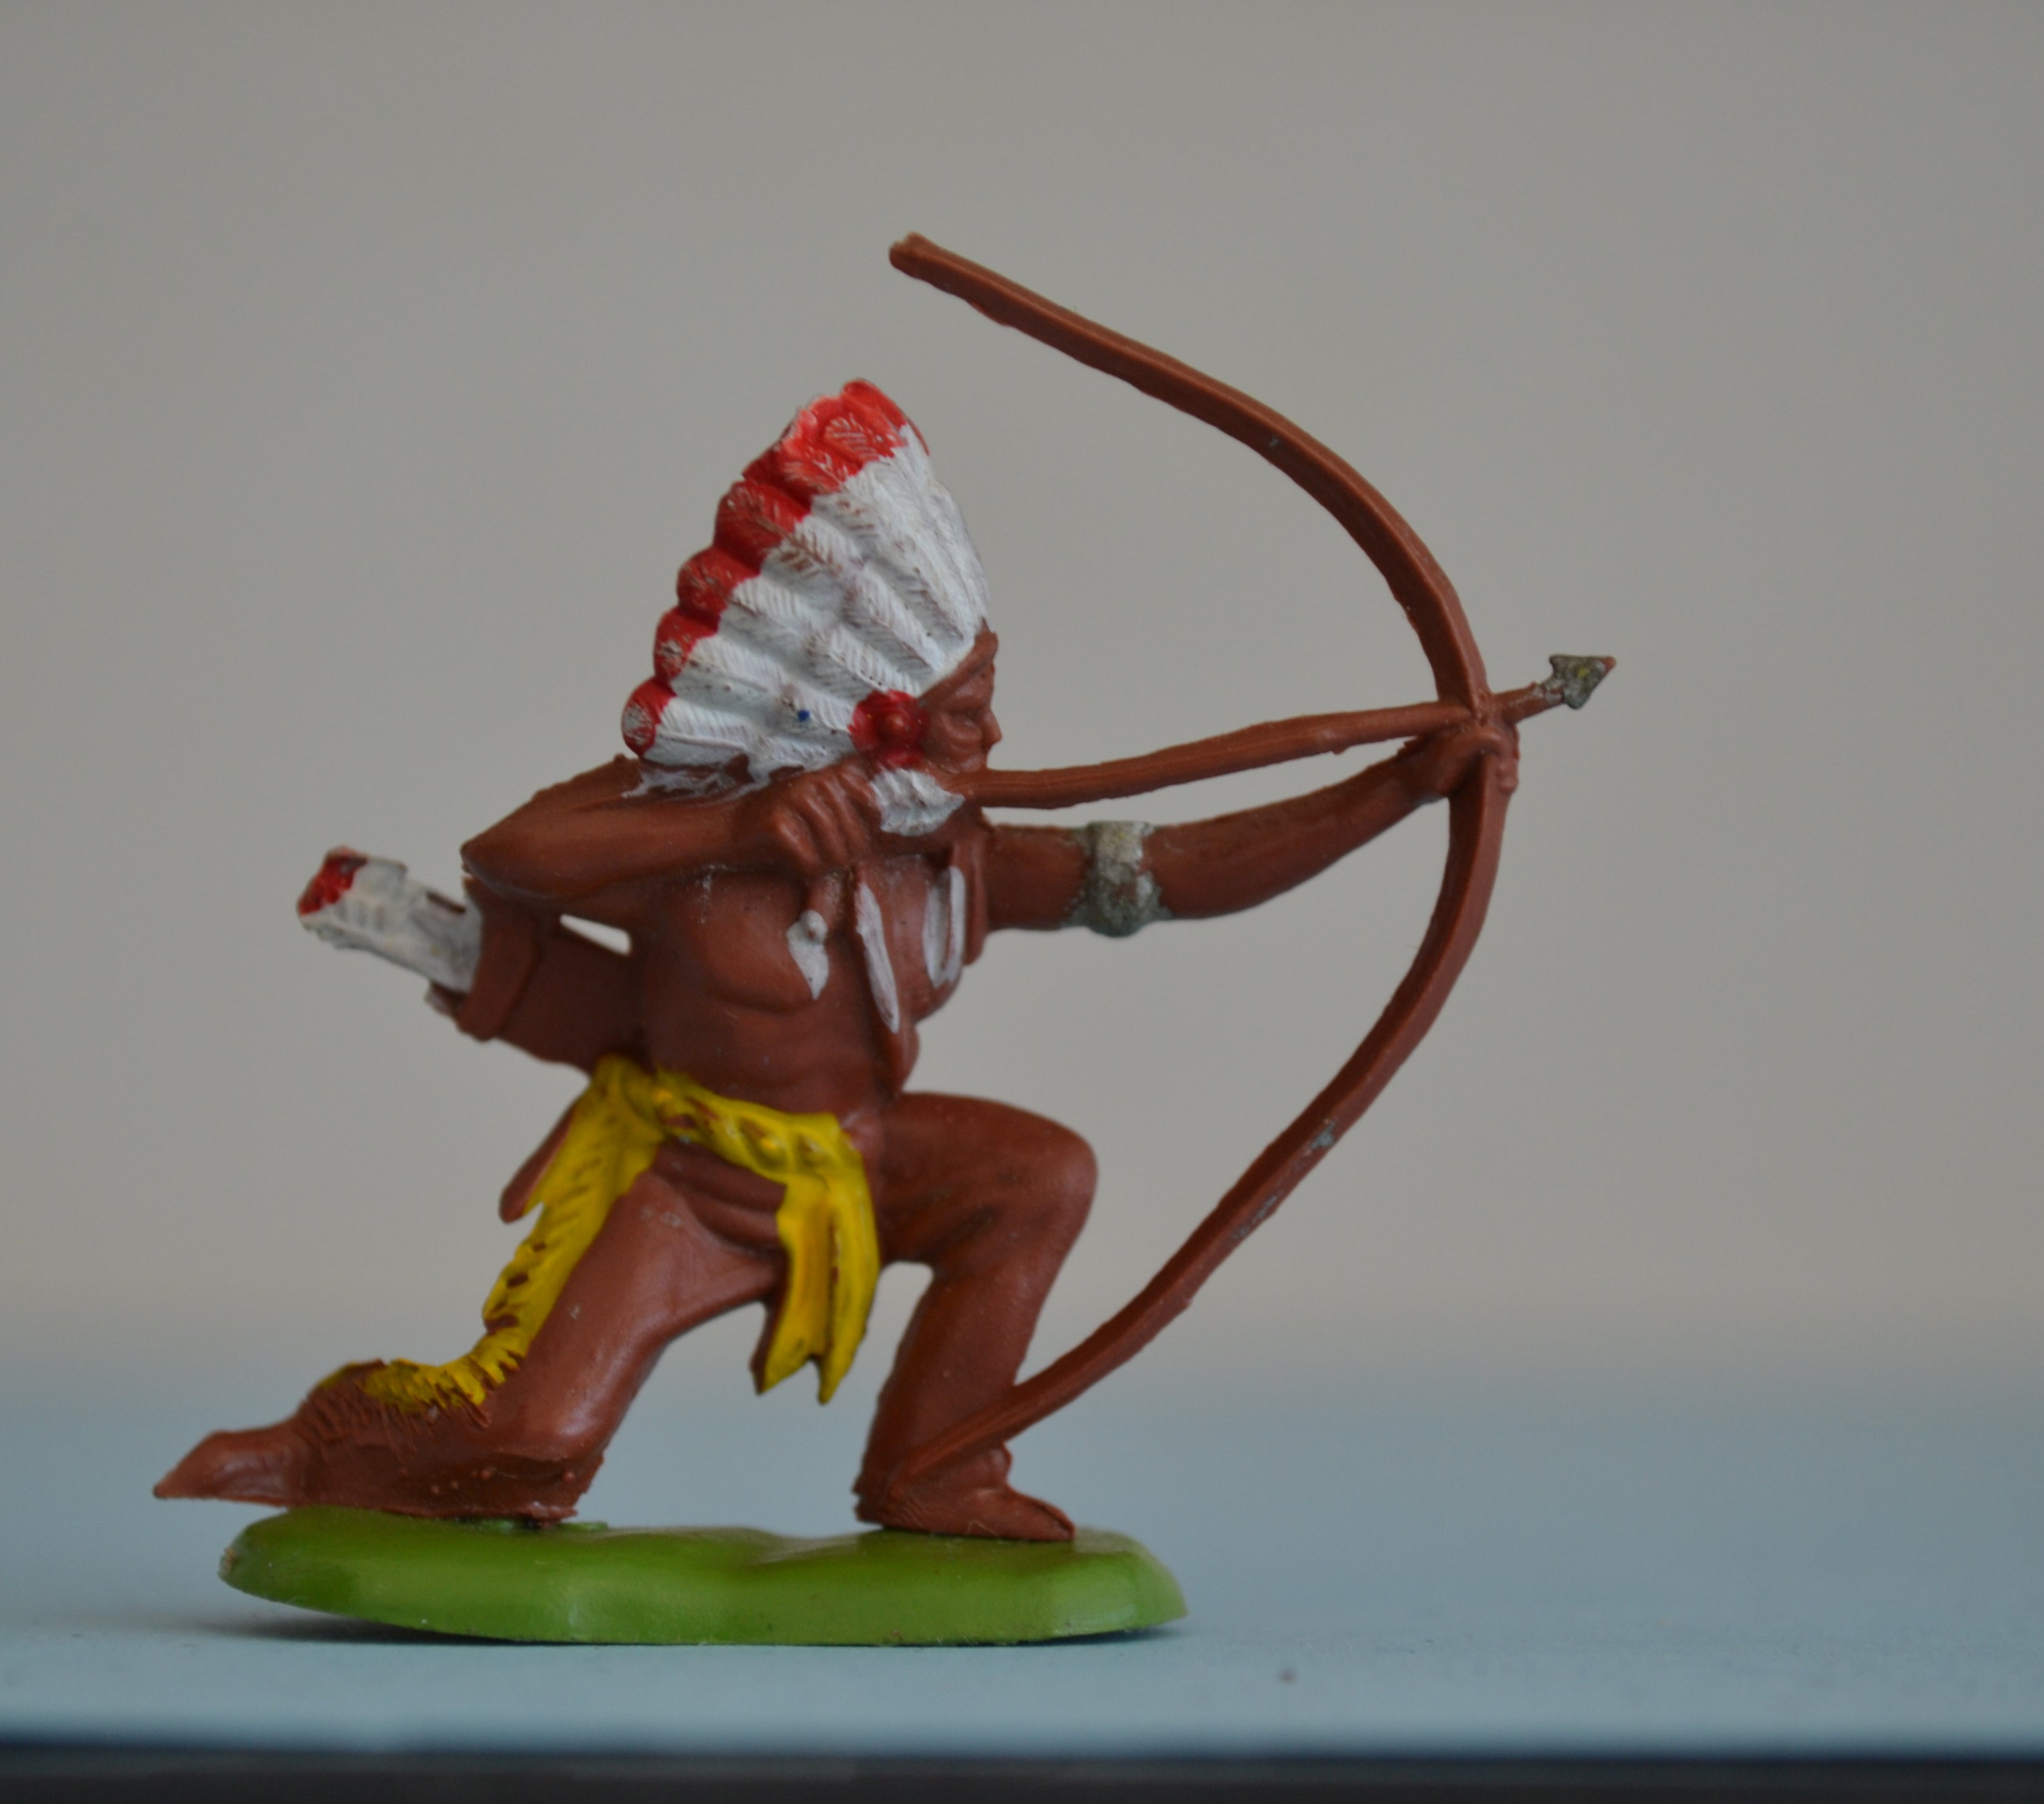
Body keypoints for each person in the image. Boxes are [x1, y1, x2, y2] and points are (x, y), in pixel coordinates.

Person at [157, 382, 1508, 1540]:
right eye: (963, 716)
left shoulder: (953, 857)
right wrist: (735, 829)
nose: (991, 744)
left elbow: (1166, 872)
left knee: (1034, 1176)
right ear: (869, 726)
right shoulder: (695, 836)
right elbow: (509, 856)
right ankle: (316, 1452)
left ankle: (936, 1466)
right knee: (526, 1444)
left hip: (857, 1155)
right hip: (690, 1179)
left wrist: (1397, 790)